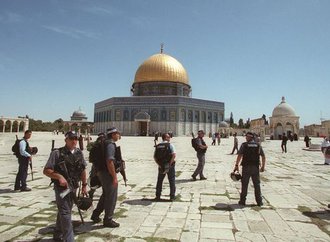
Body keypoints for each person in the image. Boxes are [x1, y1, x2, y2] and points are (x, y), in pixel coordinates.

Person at [43, 131, 88, 242]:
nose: (74, 141)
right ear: (66, 140)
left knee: (65, 209)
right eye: (71, 138)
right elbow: (46, 170)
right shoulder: (57, 153)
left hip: (73, 187)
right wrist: (59, 176)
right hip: (62, 189)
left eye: (76, 139)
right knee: (65, 212)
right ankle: (69, 239)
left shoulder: (78, 153)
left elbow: (82, 170)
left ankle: (58, 233)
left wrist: (84, 185)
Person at [90, 127, 121, 228]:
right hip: (107, 173)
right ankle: (108, 219)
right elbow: (110, 161)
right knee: (111, 196)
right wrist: (114, 177)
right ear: (112, 134)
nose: (118, 135)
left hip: (101, 172)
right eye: (117, 133)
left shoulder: (103, 142)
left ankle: (95, 215)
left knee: (105, 194)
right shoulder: (110, 144)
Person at [234, 132, 266, 206]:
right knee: (257, 184)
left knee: (244, 184)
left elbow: (240, 155)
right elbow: (263, 156)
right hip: (255, 167)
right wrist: (263, 166)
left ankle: (242, 201)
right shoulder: (258, 145)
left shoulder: (244, 145)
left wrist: (236, 165)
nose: (246, 138)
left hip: (246, 167)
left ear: (249, 137)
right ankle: (259, 201)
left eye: (247, 137)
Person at [154, 133, 176, 201]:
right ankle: (172, 196)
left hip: (161, 165)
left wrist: (159, 165)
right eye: (169, 137)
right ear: (166, 138)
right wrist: (169, 164)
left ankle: (158, 196)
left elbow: (155, 157)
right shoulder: (170, 145)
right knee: (171, 181)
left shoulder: (158, 146)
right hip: (170, 166)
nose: (170, 138)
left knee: (160, 181)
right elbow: (174, 155)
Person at [88, 132, 106, 199]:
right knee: (97, 182)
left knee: (98, 183)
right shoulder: (95, 146)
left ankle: (93, 194)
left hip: (98, 167)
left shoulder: (102, 145)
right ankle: (92, 194)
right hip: (97, 168)